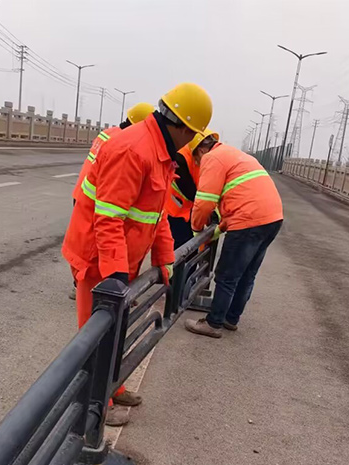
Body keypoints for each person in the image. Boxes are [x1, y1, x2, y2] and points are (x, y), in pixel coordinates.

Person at [62, 83, 213, 425]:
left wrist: (164, 259)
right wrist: (115, 277)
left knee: (115, 330)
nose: (191, 142)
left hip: (121, 258)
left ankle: (113, 386)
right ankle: (95, 409)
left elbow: (156, 215)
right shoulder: (133, 150)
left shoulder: (160, 154)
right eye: (193, 135)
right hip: (98, 258)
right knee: (96, 334)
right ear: (183, 127)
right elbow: (108, 218)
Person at [184, 142, 283, 338]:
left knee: (227, 275)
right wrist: (220, 228)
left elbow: (204, 202)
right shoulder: (236, 156)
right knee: (247, 273)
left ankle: (213, 323)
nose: (198, 164)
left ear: (201, 150)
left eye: (196, 160)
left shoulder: (212, 158)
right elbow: (239, 197)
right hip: (273, 218)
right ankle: (231, 318)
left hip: (248, 220)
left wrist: (196, 229)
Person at [68, 102, 155, 300]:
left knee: (84, 242)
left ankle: (80, 285)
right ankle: (86, 288)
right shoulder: (126, 142)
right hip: (97, 195)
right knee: (93, 246)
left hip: (83, 192)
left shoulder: (107, 134)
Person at [164, 128, 219, 249]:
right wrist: (208, 209)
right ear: (201, 150)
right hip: (176, 211)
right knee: (181, 249)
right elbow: (189, 190)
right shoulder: (180, 157)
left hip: (192, 209)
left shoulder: (202, 158)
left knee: (192, 247)